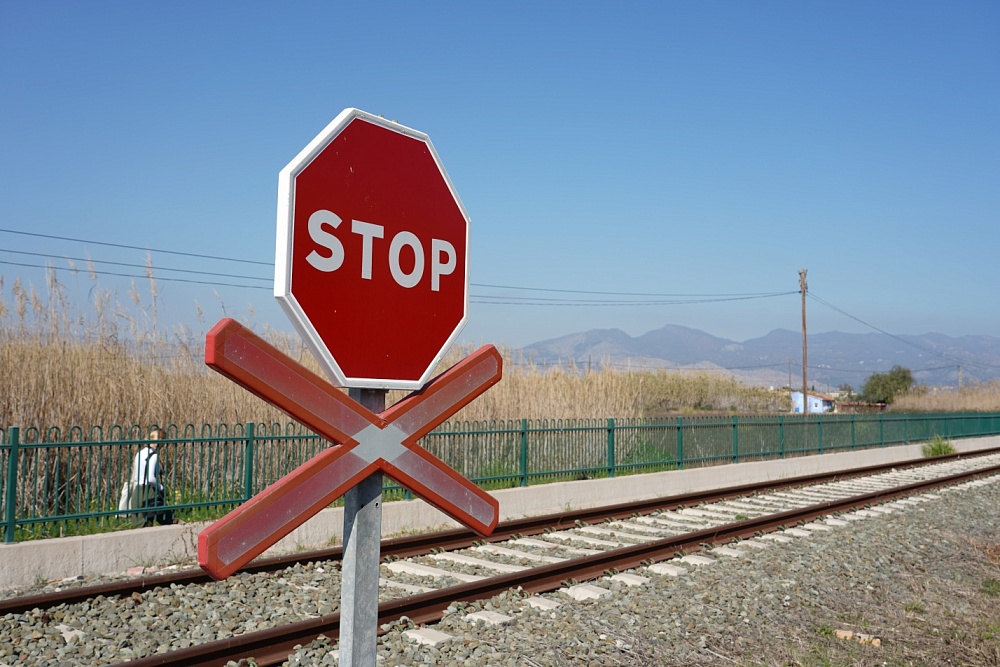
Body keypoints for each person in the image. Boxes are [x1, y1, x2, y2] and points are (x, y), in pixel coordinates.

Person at [130, 427, 174, 527]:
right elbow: (150, 478)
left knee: (139, 522)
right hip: (147, 491)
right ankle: (174, 522)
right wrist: (160, 487)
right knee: (150, 519)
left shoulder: (140, 453)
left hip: (137, 490)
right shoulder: (154, 455)